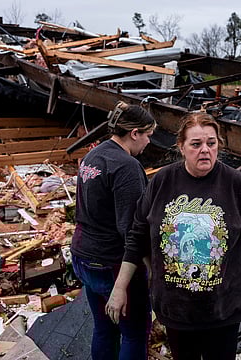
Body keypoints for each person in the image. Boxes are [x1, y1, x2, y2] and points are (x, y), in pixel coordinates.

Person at [106, 111, 241, 360]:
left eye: (211, 143)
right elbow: (137, 238)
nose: (205, 150)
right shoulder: (161, 183)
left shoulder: (237, 186)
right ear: (181, 147)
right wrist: (119, 288)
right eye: (196, 144)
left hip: (223, 310)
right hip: (176, 310)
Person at [70, 101, 156, 360]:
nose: (150, 142)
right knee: (134, 332)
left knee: (105, 327)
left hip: (83, 254)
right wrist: (150, 264)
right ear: (134, 133)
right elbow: (132, 228)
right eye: (148, 135)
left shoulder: (93, 156)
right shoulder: (126, 167)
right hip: (111, 263)